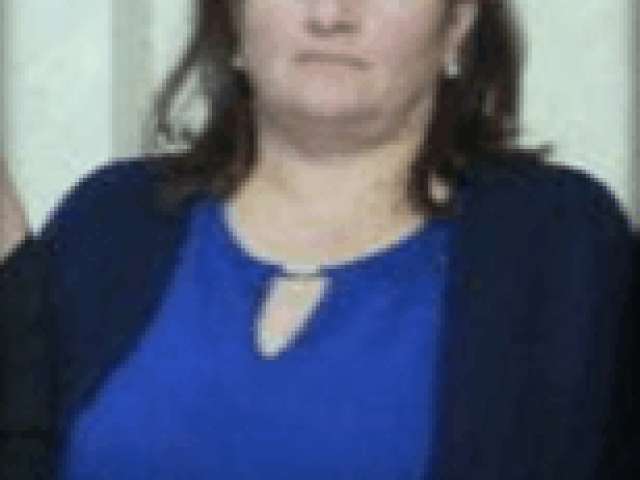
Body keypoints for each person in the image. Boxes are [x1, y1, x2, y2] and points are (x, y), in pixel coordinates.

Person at [1, 0, 637, 478]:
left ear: (458, 25)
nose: (330, 15)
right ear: (232, 19)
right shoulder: (111, 221)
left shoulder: (563, 248)